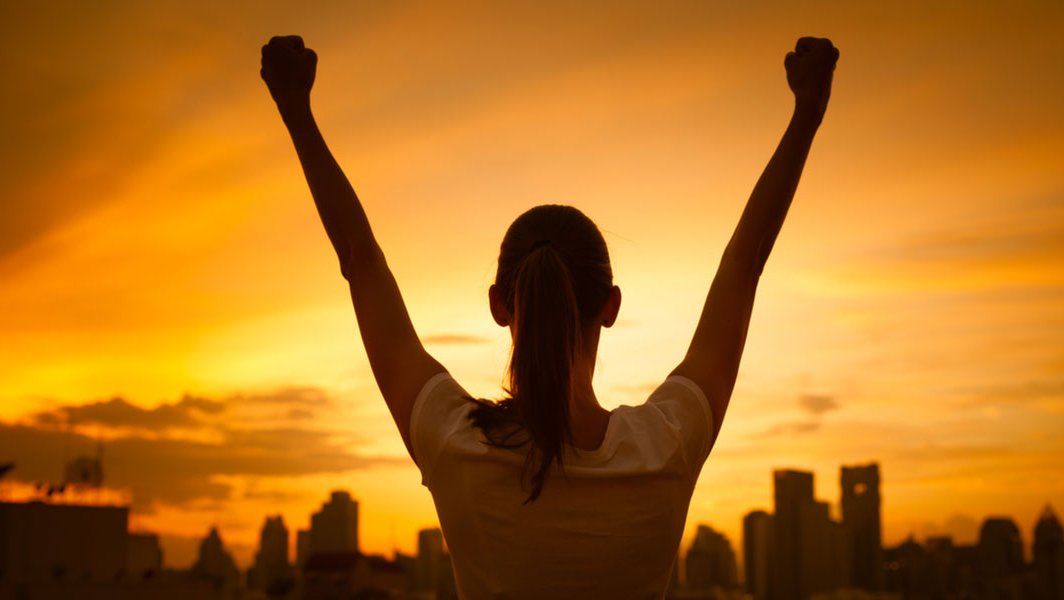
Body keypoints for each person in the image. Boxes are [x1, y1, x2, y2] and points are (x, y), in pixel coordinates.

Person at [261, 34, 838, 599]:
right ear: (610, 307)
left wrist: (297, 112)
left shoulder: (455, 443)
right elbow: (746, 264)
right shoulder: (666, 446)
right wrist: (806, 114)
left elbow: (360, 262)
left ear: (498, 305)